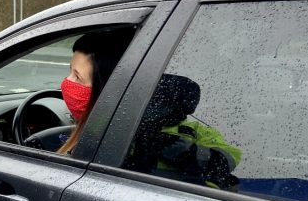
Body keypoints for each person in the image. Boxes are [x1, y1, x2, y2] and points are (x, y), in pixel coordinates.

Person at [56, 29, 240, 188]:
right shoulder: (99, 126)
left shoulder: (189, 132)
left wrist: (188, 153)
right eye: (70, 71)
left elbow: (229, 158)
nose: (66, 83)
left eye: (77, 76)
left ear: (109, 88)